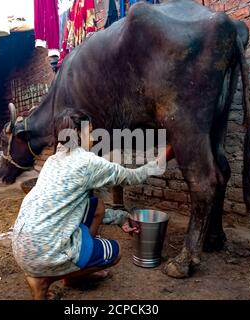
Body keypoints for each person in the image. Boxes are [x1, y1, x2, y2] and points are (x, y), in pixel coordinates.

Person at [12, 108, 175, 299]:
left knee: (96, 205)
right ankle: (44, 280)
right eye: (90, 132)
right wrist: (161, 160)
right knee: (116, 253)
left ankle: (73, 272)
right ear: (80, 134)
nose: (93, 138)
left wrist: (121, 217)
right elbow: (133, 177)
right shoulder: (88, 162)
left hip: (21, 247)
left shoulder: (52, 161)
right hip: (45, 253)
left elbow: (74, 209)